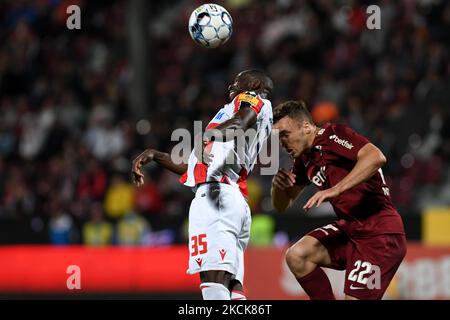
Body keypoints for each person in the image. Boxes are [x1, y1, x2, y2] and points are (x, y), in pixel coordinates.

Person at [132, 70, 274, 300]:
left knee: (213, 280)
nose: (232, 86)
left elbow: (241, 121)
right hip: (231, 197)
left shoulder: (250, 99)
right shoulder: (238, 115)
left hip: (216, 196)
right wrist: (156, 155)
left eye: (238, 81)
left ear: (254, 84)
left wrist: (208, 135)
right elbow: (195, 166)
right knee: (232, 284)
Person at [270, 100, 406, 300]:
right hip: (350, 229)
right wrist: (277, 187)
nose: (282, 143)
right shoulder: (304, 160)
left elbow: (376, 157)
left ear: (306, 127)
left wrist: (336, 189)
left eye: (285, 134)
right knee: (298, 255)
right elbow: (281, 205)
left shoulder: (333, 135)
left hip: (380, 233)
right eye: (278, 138)